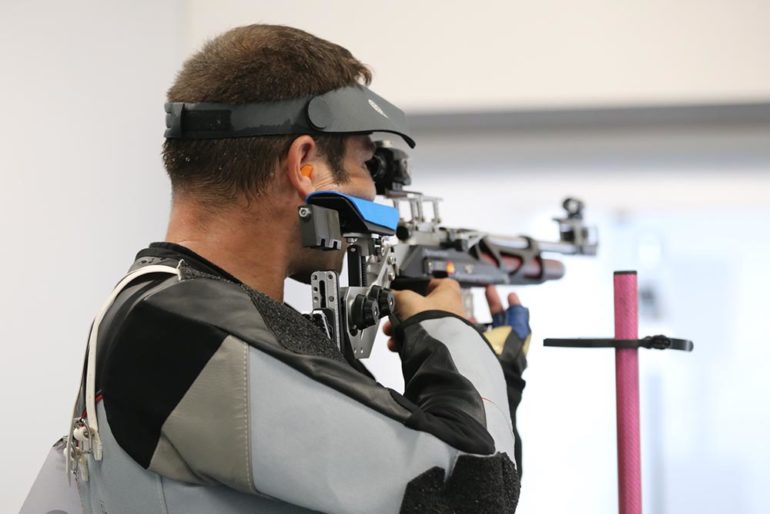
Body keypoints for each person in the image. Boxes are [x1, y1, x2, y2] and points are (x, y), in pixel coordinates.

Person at [22, 24, 530, 514]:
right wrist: (449, 333)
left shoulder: (188, 317)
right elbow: (474, 490)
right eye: (363, 164)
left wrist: (493, 376)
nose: (372, 194)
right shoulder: (188, 333)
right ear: (305, 165)